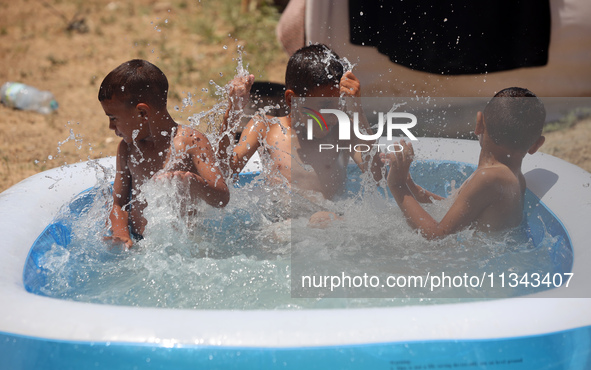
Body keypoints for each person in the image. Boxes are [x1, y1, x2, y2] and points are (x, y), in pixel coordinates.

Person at [218, 44, 383, 224]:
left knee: (323, 219)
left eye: (341, 103)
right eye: (326, 105)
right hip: (281, 229)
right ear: (292, 99)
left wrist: (357, 108)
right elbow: (223, 174)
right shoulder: (265, 127)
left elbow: (377, 175)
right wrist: (232, 112)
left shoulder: (343, 131)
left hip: (331, 229)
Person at [99, 59, 251, 248]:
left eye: (113, 118)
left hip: (183, 246)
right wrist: (121, 232)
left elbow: (222, 198)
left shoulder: (191, 142)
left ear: (142, 113)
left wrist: (194, 183)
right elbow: (118, 203)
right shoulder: (127, 148)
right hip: (138, 241)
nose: (110, 127)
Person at [384, 87, 546, 240]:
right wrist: (411, 185)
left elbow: (437, 236)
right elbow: (455, 209)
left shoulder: (488, 177)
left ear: (478, 124)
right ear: (536, 145)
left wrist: (398, 185)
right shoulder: (511, 176)